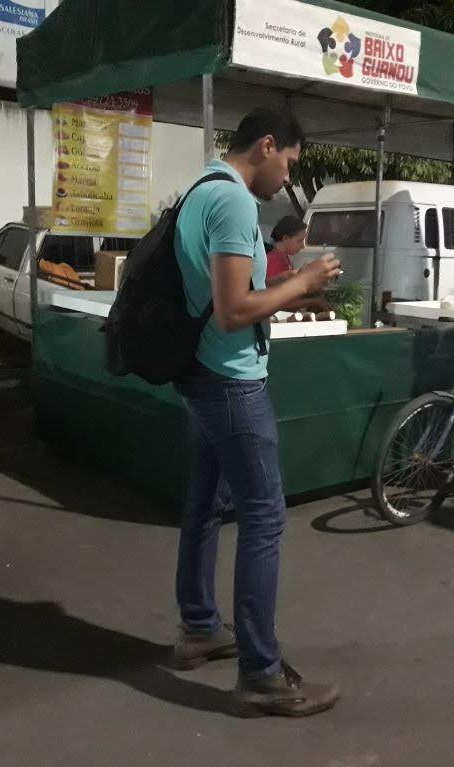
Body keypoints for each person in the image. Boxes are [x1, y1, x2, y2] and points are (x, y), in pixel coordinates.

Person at [171, 107, 342, 717]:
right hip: (231, 382)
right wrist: (304, 282)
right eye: (289, 163)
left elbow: (223, 297)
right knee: (264, 518)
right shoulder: (234, 201)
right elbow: (233, 310)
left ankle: (199, 626)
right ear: (268, 145)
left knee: (205, 503)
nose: (287, 178)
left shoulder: (200, 187)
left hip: (200, 374)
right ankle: (261, 672)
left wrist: (287, 293)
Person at [266, 216, 307, 285]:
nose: (303, 246)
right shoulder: (275, 261)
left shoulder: (282, 257)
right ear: (285, 238)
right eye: (299, 241)